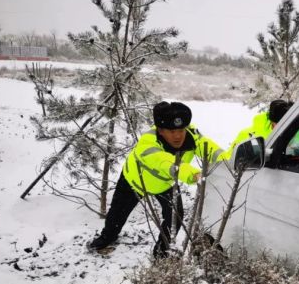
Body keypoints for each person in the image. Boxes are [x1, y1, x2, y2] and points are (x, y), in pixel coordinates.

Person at [88, 101, 225, 257]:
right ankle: (108, 237)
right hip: (134, 182)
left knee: (175, 217)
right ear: (160, 130)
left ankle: (161, 251)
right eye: (171, 131)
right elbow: (164, 162)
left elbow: (211, 150)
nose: (178, 135)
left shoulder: (192, 136)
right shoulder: (147, 142)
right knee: (117, 214)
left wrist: (230, 161)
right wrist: (192, 174)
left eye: (181, 130)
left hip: (165, 184)